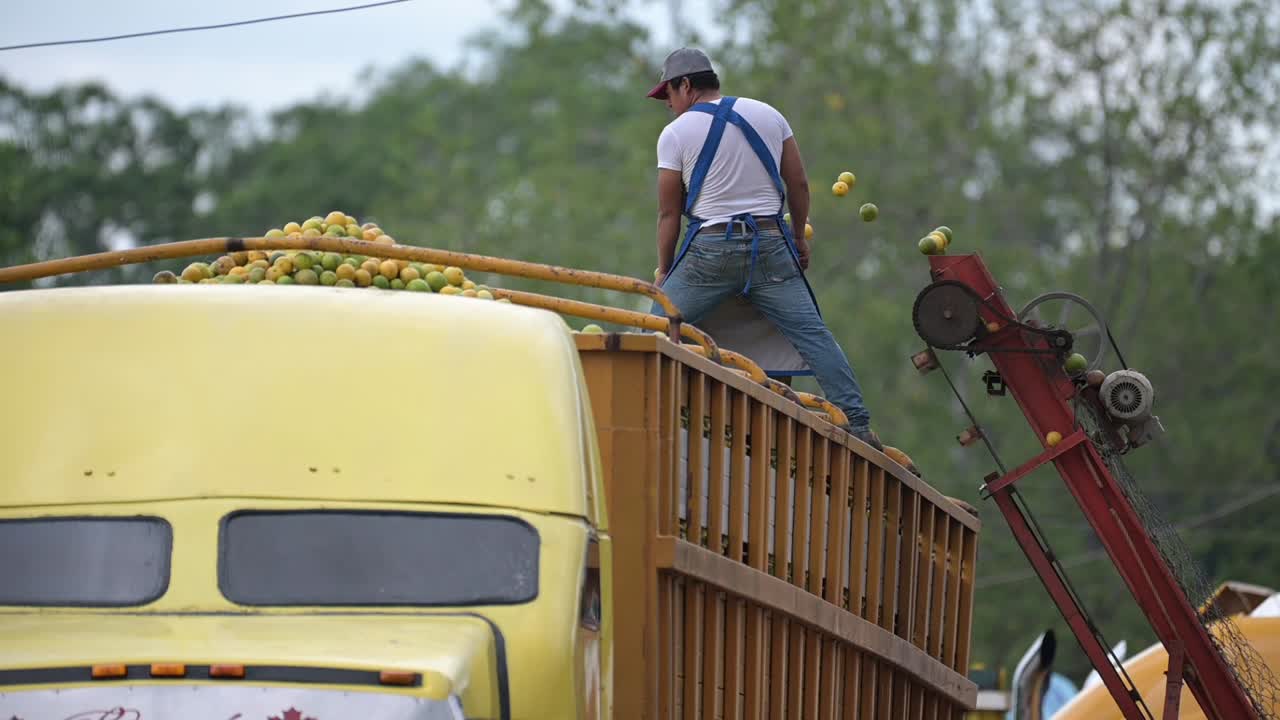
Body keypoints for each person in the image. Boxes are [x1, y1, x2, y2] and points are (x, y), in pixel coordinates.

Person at [646, 48, 882, 451]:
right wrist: (798, 240)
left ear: (686, 86)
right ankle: (857, 424)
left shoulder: (676, 134)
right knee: (812, 333)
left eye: (668, 94)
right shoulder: (769, 115)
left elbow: (669, 213)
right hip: (771, 244)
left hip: (710, 250)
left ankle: (643, 408)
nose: (668, 105)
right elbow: (799, 185)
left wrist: (664, 270)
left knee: (657, 329)